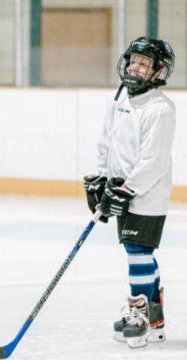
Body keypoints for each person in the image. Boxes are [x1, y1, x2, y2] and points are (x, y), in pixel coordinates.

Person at [83, 36, 175, 349]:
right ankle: (155, 317)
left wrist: (128, 189)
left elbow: (154, 160)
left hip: (148, 192)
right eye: (134, 60)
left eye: (144, 64)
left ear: (158, 71)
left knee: (138, 250)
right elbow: (106, 141)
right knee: (136, 250)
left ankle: (139, 314)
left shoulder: (160, 108)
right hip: (121, 187)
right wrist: (100, 176)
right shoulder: (121, 95)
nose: (136, 67)